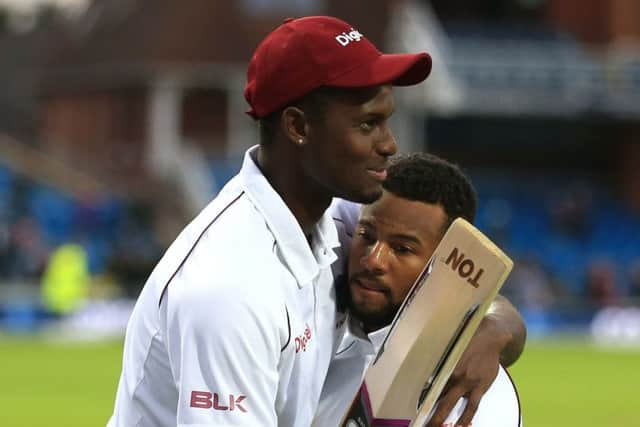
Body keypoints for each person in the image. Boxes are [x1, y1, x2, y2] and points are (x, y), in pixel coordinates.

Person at [108, 16, 522, 426]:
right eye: (368, 124)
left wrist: (489, 333)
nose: (389, 144)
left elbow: (464, 289)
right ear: (298, 126)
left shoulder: (337, 224)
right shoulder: (229, 288)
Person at [313, 153, 523, 427]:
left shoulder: (468, 391)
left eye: (402, 249)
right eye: (367, 235)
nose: (374, 260)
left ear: (447, 263)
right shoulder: (326, 349)